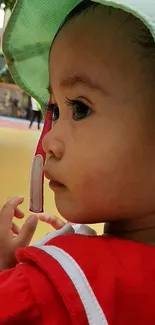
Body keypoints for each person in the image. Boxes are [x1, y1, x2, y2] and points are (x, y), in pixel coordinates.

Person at [1, 0, 155, 324]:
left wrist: (8, 273)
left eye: (80, 108)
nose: (48, 142)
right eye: (54, 111)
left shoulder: (49, 290)